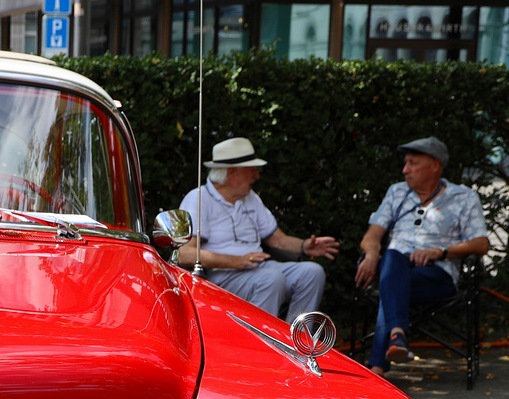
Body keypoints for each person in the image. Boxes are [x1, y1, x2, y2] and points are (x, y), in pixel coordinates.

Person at [354, 137, 489, 376]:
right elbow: (373, 233)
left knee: (391, 288)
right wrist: (372, 254)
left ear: (435, 166)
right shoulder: (397, 192)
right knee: (393, 257)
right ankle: (396, 338)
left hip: (437, 276)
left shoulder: (463, 198)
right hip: (395, 269)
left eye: (412, 163)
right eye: (405, 163)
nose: (404, 169)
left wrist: (442, 252)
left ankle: (377, 367)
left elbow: (481, 244)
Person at [177, 137, 339, 322]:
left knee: (312, 272)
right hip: (222, 276)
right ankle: (260, 346)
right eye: (251, 170)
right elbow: (185, 254)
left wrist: (304, 246)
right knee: (271, 278)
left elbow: (277, 239)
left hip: (259, 268)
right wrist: (235, 261)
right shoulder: (199, 198)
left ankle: (297, 344)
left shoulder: (250, 197)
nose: (257, 176)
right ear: (231, 173)